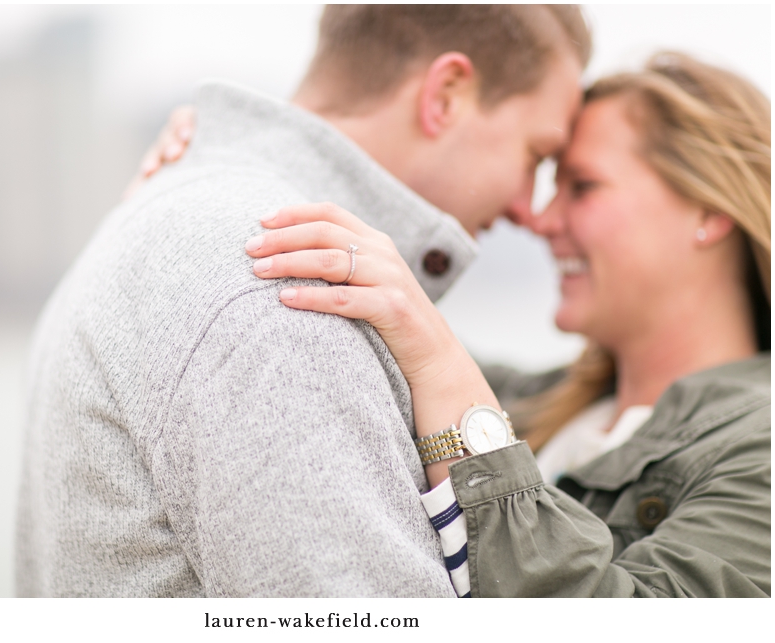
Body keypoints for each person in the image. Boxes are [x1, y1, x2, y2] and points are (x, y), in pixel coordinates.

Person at [15, 5, 591, 596]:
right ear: (444, 95)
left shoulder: (187, 223)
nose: (530, 207)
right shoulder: (289, 286)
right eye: (537, 156)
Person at [236, 52, 770, 597]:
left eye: (582, 187)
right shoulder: (535, 401)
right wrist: (226, 166)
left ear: (708, 210)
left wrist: (441, 366)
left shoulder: (760, 446)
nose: (542, 220)